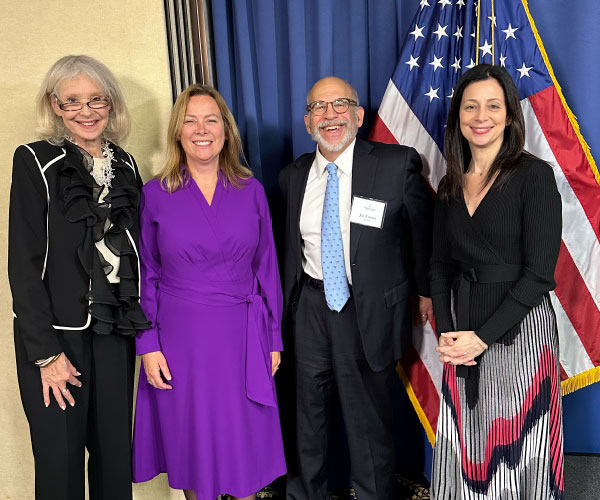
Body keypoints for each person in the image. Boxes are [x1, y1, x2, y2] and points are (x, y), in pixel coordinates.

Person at [279, 76, 434, 500]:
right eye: (317, 107)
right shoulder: (292, 176)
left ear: (358, 115)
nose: (329, 115)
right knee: (306, 421)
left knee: (367, 426)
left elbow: (422, 235)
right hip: (308, 309)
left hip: (366, 312)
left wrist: (425, 291)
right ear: (307, 120)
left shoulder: (395, 164)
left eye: (339, 104)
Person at [132, 84, 286, 500]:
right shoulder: (154, 194)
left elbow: (267, 268)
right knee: (194, 447)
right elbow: (145, 273)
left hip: (243, 334)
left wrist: (273, 338)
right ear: (178, 132)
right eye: (191, 120)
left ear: (226, 130)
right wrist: (147, 344)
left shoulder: (251, 190)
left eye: (211, 120)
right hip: (181, 340)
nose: (202, 130)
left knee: (244, 447)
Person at [8, 55, 149, 500]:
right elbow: (23, 263)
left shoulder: (126, 164)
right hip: (56, 337)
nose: (86, 111)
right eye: (72, 101)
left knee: (113, 462)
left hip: (114, 332)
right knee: (59, 461)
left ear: (110, 105)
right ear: (55, 105)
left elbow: (138, 251)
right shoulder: (35, 160)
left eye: (96, 100)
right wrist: (46, 354)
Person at [430, 64, 563, 499]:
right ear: (458, 117)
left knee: (518, 448)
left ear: (509, 116)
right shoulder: (449, 184)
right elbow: (439, 268)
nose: (480, 115)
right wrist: (449, 335)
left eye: (492, 105)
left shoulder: (534, 176)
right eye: (470, 106)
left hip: (520, 331)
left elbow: (540, 274)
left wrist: (482, 338)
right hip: (461, 331)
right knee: (467, 447)